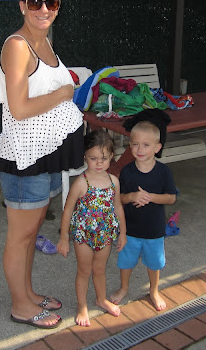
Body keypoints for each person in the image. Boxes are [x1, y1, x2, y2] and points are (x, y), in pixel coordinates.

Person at [0, 0, 84, 329]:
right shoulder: (17, 46)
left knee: (31, 233)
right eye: (36, 1)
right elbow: (19, 108)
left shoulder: (45, 42)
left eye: (52, 2)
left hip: (46, 155)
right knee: (20, 237)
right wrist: (63, 93)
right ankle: (20, 306)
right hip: (23, 159)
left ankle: (28, 293)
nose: (44, 9)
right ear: (22, 5)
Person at [57, 130, 127, 327]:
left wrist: (123, 232)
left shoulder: (114, 182)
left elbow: (118, 207)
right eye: (93, 158)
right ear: (85, 157)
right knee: (84, 271)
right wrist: (64, 238)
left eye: (103, 158)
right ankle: (82, 306)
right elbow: (68, 209)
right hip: (83, 235)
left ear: (111, 156)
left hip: (105, 235)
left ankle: (101, 299)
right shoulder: (81, 183)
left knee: (100, 269)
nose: (99, 163)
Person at [110, 120, 178, 311]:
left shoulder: (163, 172)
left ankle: (154, 290)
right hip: (129, 229)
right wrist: (132, 196)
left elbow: (171, 198)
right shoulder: (127, 171)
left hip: (154, 230)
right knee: (125, 262)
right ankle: (124, 288)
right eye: (135, 144)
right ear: (130, 145)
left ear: (157, 148)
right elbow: (119, 199)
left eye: (146, 145)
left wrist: (150, 197)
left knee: (154, 264)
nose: (140, 149)